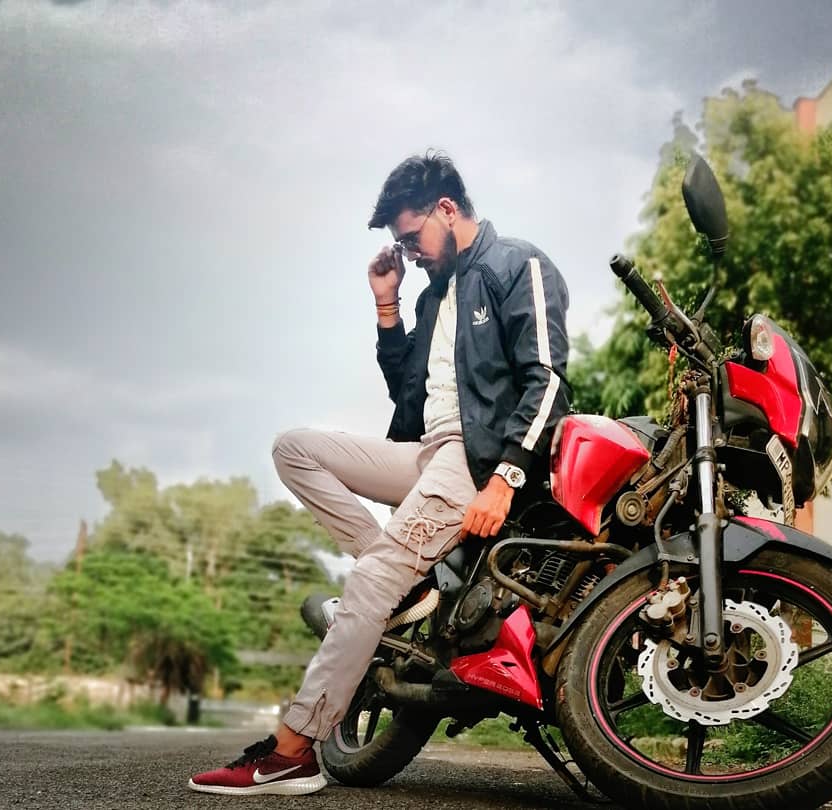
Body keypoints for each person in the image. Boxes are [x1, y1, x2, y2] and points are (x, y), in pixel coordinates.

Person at [188, 151, 572, 796]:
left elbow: (548, 378)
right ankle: (404, 582)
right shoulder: (434, 295)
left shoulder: (515, 264)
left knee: (369, 583)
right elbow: (407, 393)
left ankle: (292, 751)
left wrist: (505, 478)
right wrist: (387, 305)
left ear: (446, 209)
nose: (410, 253)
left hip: (476, 458)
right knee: (294, 448)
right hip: (427, 450)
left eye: (412, 238)